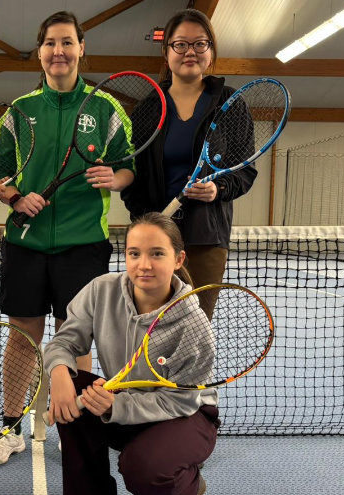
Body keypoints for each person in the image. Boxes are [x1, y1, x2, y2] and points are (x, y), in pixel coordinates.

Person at [0, 11, 135, 466]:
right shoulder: (20, 111)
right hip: (26, 243)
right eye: (50, 43)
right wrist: (13, 196)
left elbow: (128, 166)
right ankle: (11, 427)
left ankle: (74, 424)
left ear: (81, 49)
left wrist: (116, 178)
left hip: (82, 243)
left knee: (78, 340)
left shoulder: (106, 110)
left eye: (67, 42)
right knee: (23, 336)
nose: (59, 51)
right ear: (41, 51)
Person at [44, 212, 220, 495]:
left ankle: (187, 487)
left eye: (157, 254)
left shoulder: (193, 324)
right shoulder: (102, 290)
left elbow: (182, 399)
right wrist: (58, 374)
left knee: (143, 470)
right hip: (123, 402)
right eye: (134, 253)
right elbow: (65, 342)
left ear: (179, 259)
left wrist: (115, 408)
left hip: (186, 415)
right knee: (75, 394)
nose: (144, 264)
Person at [122, 9, 257, 320]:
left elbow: (245, 171)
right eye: (180, 44)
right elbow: (134, 176)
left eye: (200, 44)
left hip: (206, 237)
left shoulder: (230, 104)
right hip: (156, 238)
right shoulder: (146, 110)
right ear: (166, 51)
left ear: (211, 52)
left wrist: (217, 189)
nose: (190, 52)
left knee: (196, 327)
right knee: (152, 325)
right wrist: (146, 222)